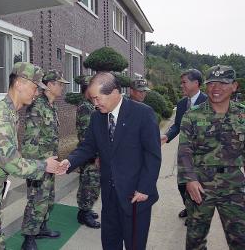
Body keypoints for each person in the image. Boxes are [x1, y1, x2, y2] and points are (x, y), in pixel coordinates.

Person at [0, 62, 67, 250]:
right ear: (19, 84)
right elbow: (11, 163)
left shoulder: (11, 113)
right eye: (34, 87)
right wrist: (44, 166)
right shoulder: (1, 116)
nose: (36, 93)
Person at [60, 72, 161, 250]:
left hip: (135, 196)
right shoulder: (97, 117)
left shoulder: (142, 113)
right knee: (110, 243)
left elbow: (152, 154)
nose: (94, 103)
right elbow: (88, 146)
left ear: (115, 92)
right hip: (109, 195)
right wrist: (69, 162)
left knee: (134, 245)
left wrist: (145, 187)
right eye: (92, 99)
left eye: (97, 98)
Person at [177, 65, 245, 250]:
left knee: (240, 238)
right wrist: (189, 180)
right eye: (212, 83)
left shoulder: (242, 114)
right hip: (201, 185)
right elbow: (185, 151)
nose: (216, 88)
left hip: (234, 186)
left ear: (234, 86)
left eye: (223, 83)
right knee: (195, 240)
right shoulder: (192, 114)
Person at [20, 70, 70, 250]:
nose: (62, 87)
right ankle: (28, 238)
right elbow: (29, 142)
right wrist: (38, 165)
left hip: (49, 162)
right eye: (60, 84)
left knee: (48, 198)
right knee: (36, 200)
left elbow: (51, 137)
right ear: (49, 85)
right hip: (39, 164)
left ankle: (41, 228)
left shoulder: (52, 106)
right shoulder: (37, 107)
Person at [160, 69, 207, 220]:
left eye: (184, 82)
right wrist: (166, 136)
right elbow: (177, 125)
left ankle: (195, 214)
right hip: (184, 153)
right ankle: (188, 206)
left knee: (197, 184)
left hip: (201, 154)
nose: (181, 86)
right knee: (182, 184)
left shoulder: (208, 103)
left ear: (196, 83)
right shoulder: (181, 104)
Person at [75, 75, 101, 229]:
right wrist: (95, 155)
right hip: (90, 154)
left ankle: (86, 209)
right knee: (89, 184)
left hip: (91, 153)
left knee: (90, 184)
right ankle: (84, 214)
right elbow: (86, 134)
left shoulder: (90, 105)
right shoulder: (85, 107)